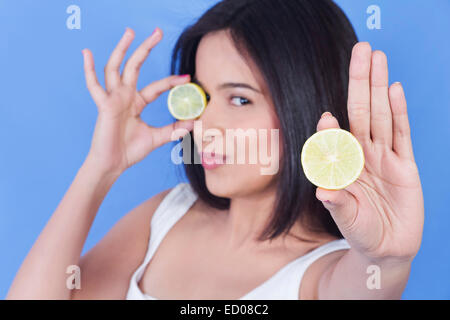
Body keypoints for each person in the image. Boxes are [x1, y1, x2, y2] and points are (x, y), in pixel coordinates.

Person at [7, 0, 424, 300]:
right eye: (201, 97)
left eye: (240, 99)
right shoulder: (168, 214)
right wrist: (100, 167)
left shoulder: (325, 273)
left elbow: (370, 282)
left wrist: (387, 261)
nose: (203, 125)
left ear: (307, 105)